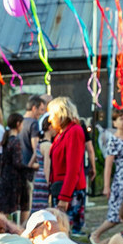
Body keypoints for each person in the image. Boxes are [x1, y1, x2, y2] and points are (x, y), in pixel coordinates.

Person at [91, 108, 123, 244]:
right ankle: (96, 233)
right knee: (116, 215)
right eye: (121, 119)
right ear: (115, 123)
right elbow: (108, 165)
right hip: (122, 181)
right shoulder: (113, 140)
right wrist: (106, 186)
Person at [47, 97, 88, 234]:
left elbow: (73, 168)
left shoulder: (74, 131)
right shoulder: (62, 133)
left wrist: (65, 197)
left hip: (70, 190)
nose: (49, 119)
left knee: (64, 231)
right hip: (61, 188)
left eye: (51, 115)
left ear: (61, 114)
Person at [0, 113, 31, 222]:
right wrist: (31, 167)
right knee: (20, 206)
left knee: (3, 210)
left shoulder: (6, 140)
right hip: (14, 181)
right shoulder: (15, 141)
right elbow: (17, 163)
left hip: (5, 178)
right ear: (18, 124)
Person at [30, 113, 53, 211]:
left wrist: (39, 166)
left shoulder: (39, 143)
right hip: (44, 180)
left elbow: (31, 164)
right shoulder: (48, 145)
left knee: (36, 208)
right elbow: (47, 167)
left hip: (37, 178)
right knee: (43, 209)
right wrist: (49, 183)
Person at [20, 94, 48, 165]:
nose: (42, 113)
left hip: (19, 163)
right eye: (41, 110)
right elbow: (35, 148)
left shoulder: (20, 121)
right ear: (34, 108)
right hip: (29, 163)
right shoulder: (34, 123)